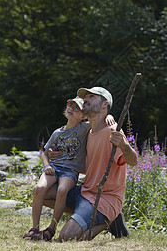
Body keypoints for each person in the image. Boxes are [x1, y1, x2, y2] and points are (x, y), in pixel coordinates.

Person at [44, 86, 138, 241]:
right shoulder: (86, 132)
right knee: (45, 193)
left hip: (106, 197)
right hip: (85, 192)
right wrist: (54, 154)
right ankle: (88, 215)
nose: (85, 99)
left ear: (104, 104)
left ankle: (108, 221)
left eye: (91, 96)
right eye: (84, 97)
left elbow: (133, 161)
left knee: (66, 238)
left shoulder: (113, 131)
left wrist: (124, 145)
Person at [23, 97, 115, 241]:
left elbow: (99, 118)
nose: (71, 109)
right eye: (69, 105)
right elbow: (45, 154)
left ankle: (51, 228)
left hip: (70, 171)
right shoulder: (57, 133)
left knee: (62, 191)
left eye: (76, 108)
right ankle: (34, 228)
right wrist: (47, 166)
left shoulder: (84, 127)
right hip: (54, 167)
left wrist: (109, 115)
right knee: (39, 189)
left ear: (83, 116)